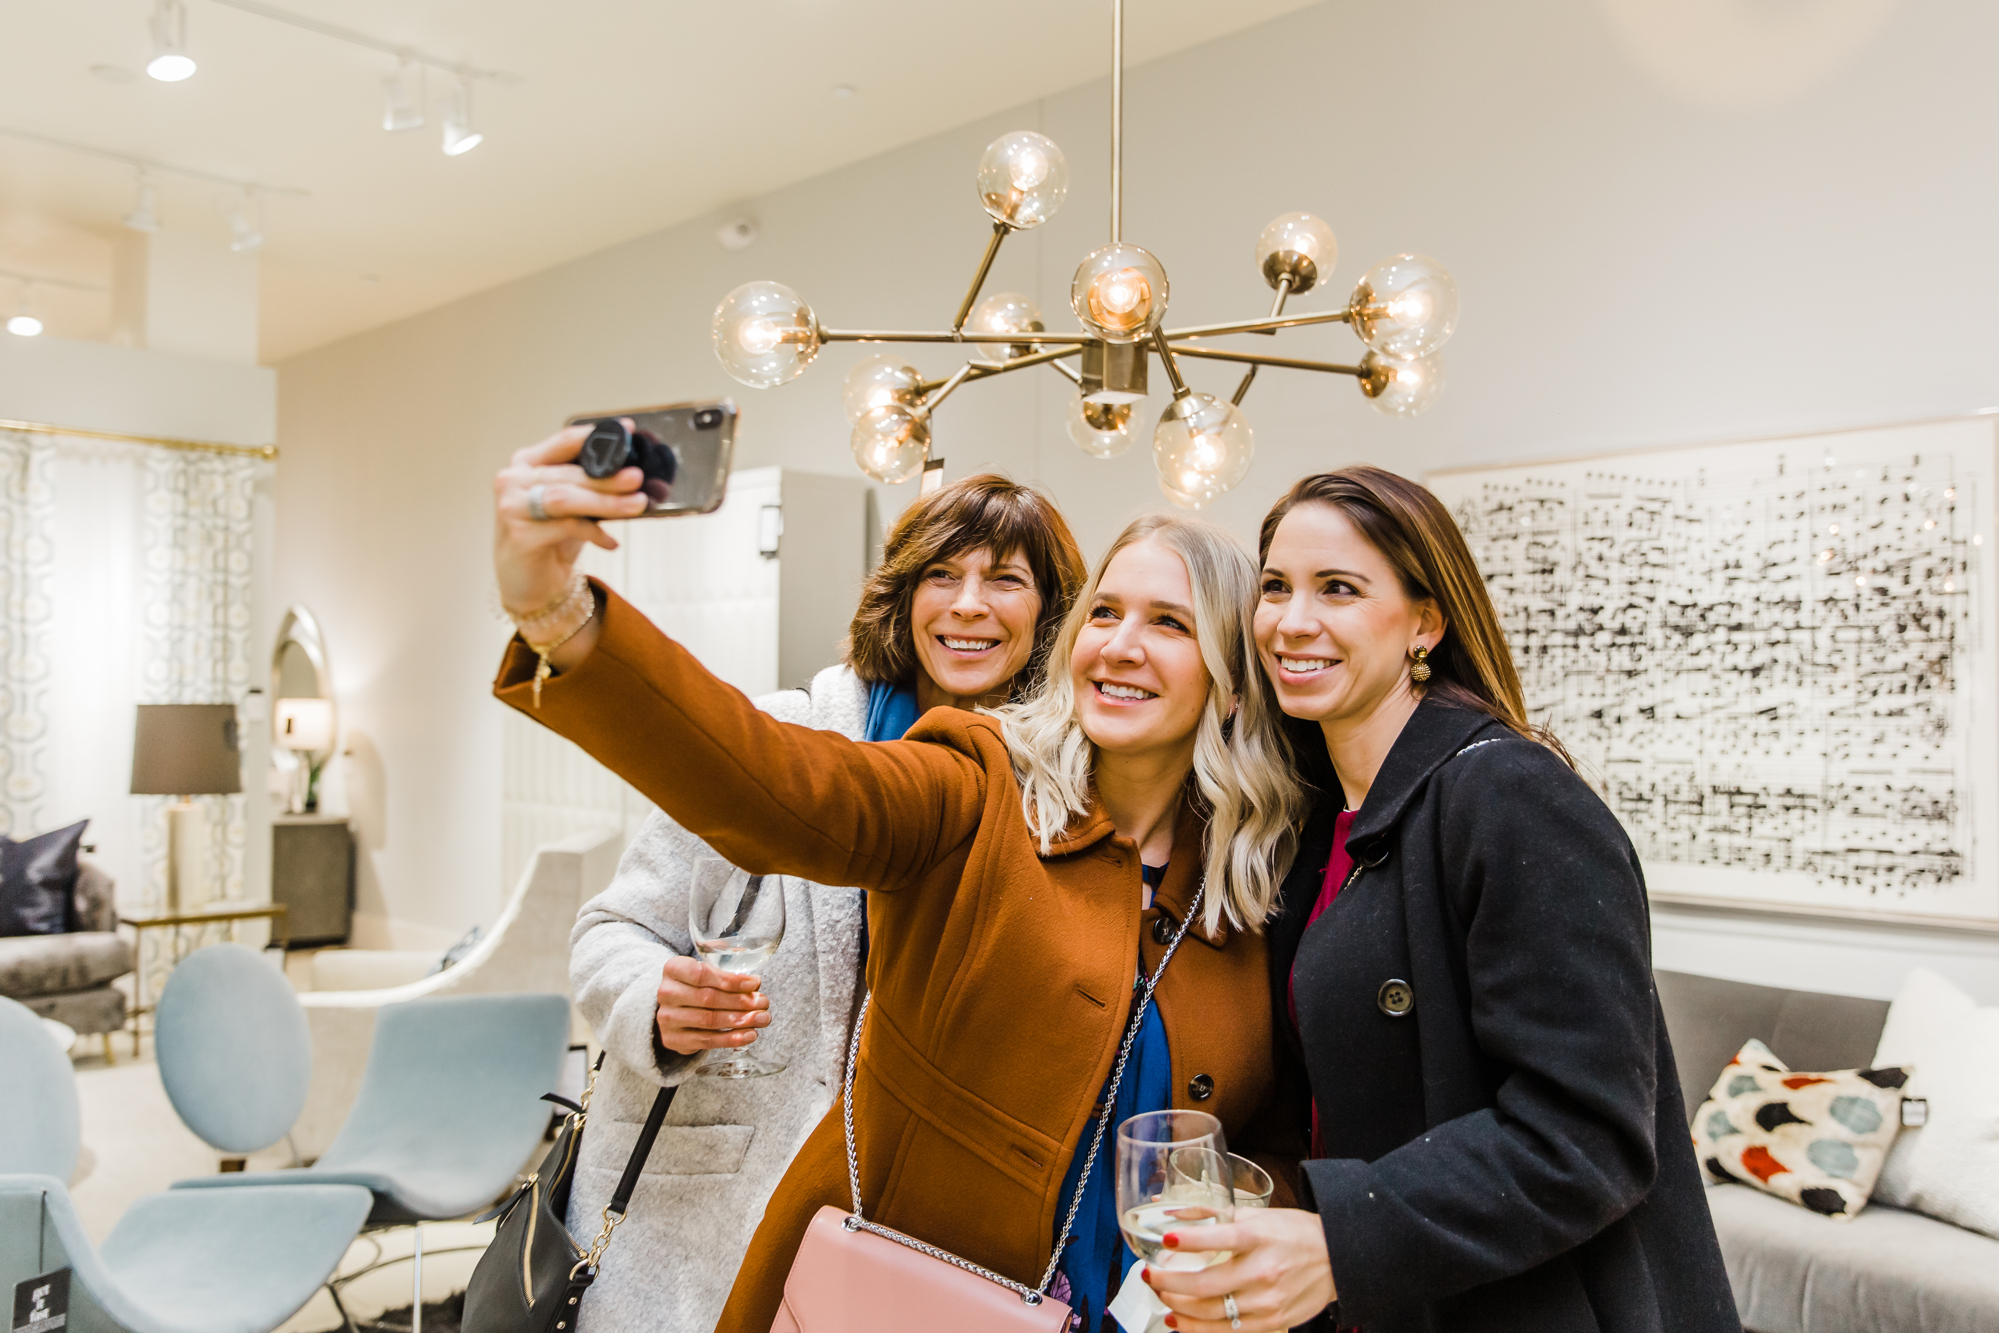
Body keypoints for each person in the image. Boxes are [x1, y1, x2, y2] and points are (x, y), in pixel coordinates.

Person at [491, 423, 1306, 1333]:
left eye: (1169, 623)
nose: (1119, 644)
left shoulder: (1250, 881)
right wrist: (560, 615)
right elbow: (773, 783)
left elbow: (1270, 1130)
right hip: (885, 1292)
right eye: (1107, 614)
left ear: (1233, 680)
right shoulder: (975, 777)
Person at [1144, 466, 1738, 1333]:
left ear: (1425, 620)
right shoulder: (1317, 825)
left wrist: (1341, 1240)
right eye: (1275, 587)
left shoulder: (1511, 796)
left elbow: (1586, 1139)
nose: (1291, 621)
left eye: (1337, 588)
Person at [532, 466, 1085, 1330]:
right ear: (900, 598)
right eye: (942, 574)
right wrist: (655, 1002)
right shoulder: (781, 739)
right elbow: (612, 930)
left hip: (899, 1229)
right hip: (701, 1217)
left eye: (1005, 579)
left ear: (1051, 616)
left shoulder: (1060, 802)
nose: (968, 604)